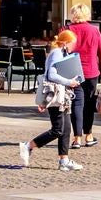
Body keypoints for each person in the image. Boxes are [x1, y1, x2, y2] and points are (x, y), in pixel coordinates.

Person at [20, 28, 86, 172]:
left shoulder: (62, 53)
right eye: (73, 43)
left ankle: (64, 161)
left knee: (66, 129)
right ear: (66, 43)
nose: (74, 46)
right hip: (55, 95)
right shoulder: (57, 53)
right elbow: (51, 75)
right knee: (57, 129)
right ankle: (29, 146)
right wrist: (69, 82)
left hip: (63, 96)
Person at [67, 3, 101, 149]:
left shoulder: (67, 30)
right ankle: (89, 135)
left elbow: (59, 50)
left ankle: (77, 138)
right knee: (89, 104)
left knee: (76, 104)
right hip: (91, 72)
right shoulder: (94, 30)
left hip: (72, 72)